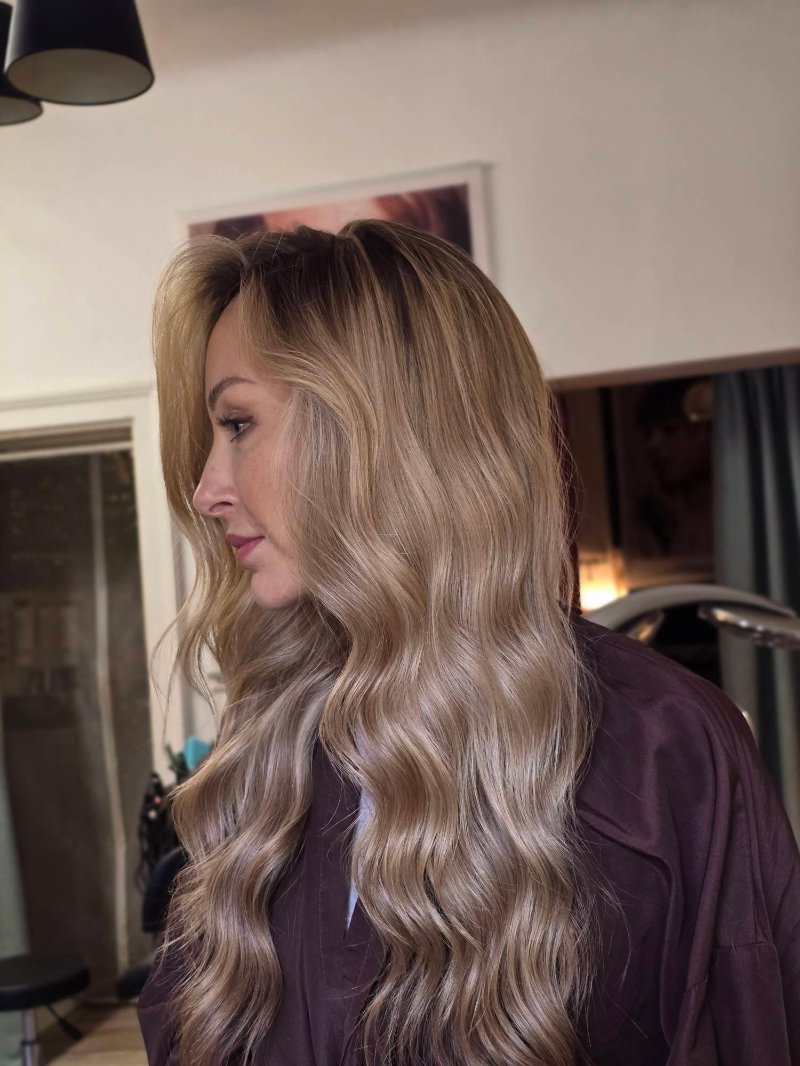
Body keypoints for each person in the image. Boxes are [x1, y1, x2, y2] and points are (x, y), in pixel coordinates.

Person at [137, 221, 800, 1066]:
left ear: (382, 431)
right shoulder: (273, 745)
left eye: (237, 423)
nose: (205, 490)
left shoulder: (665, 748)